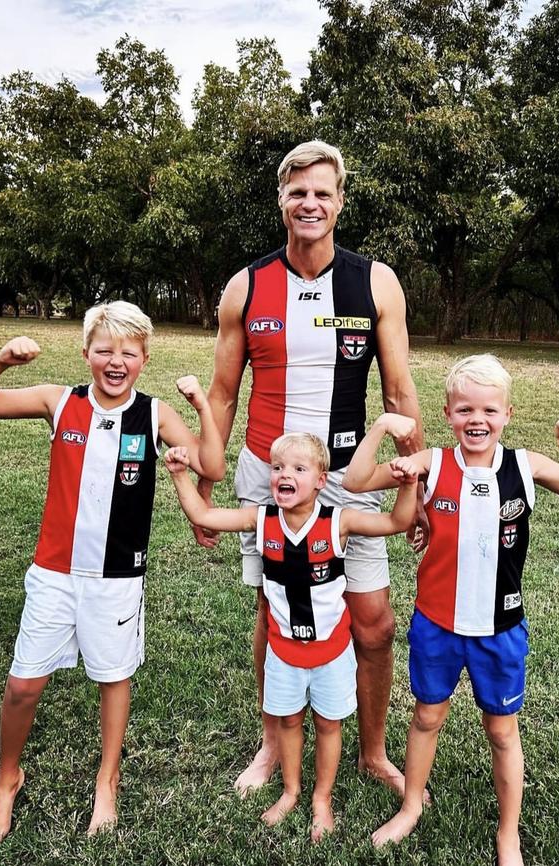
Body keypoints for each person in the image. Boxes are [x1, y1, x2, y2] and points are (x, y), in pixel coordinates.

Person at [192, 140, 425, 796]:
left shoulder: (375, 281)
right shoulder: (248, 284)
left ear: (340, 201)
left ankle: (373, 750)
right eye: (298, 192)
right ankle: (272, 746)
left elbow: (401, 394)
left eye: (323, 192)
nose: (310, 203)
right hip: (270, 478)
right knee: (275, 615)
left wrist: (420, 480)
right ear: (281, 201)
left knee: (373, 620)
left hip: (354, 478)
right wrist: (206, 485)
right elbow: (221, 394)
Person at [343, 354, 559, 865]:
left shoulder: (525, 466)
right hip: (436, 625)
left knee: (502, 730)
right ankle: (410, 807)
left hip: (501, 629)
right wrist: (383, 426)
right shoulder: (431, 463)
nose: (478, 419)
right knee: (427, 718)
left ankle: (508, 834)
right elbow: (356, 482)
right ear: (448, 413)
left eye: (490, 410)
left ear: (508, 414)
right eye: (465, 408)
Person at [0, 302, 225, 843]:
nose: (116, 361)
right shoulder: (58, 401)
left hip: (117, 577)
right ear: (86, 353)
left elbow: (211, 464)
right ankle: (6, 779)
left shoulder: (154, 415)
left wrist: (201, 404)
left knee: (114, 678)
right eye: (105, 350)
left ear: (144, 358)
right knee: (22, 685)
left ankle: (106, 781)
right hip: (54, 573)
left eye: (128, 352)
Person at [165, 421, 418, 841]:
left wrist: (408, 484)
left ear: (321, 481)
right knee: (287, 722)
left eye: (299, 469)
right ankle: (290, 791)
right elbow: (203, 514)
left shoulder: (339, 522)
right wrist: (178, 475)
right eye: (278, 467)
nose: (285, 475)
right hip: (283, 652)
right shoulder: (260, 519)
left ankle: (322, 799)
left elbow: (396, 521)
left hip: (333, 653)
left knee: (328, 726)